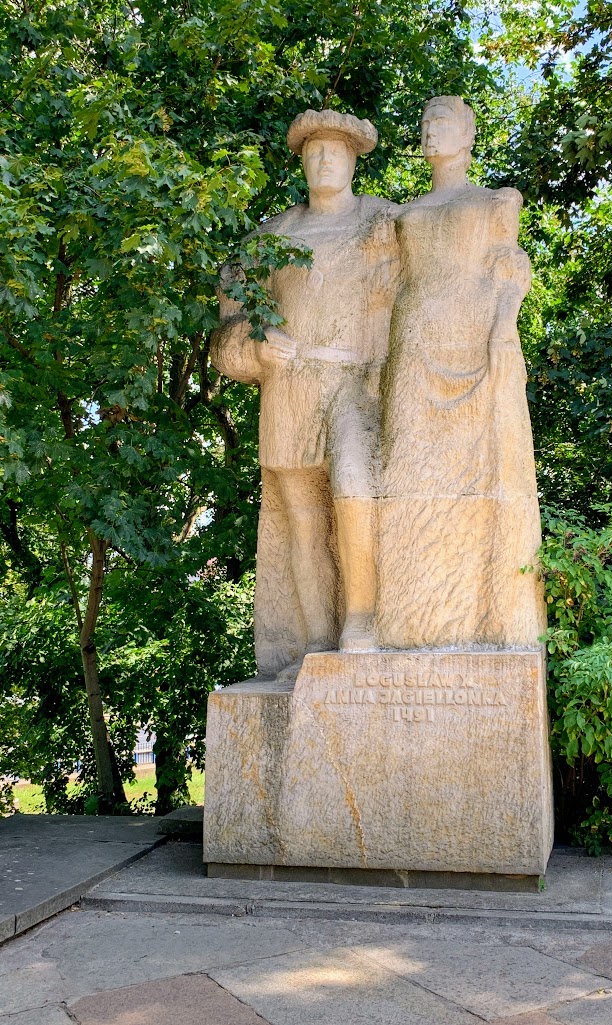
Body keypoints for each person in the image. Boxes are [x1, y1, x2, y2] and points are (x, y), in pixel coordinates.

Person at [212, 109, 398, 675]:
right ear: (301, 162)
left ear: (354, 161)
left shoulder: (384, 223)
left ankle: (361, 619)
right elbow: (228, 327)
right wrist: (255, 344)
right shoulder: (268, 239)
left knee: (355, 490)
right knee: (304, 519)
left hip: (359, 384)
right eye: (314, 151)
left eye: (335, 151)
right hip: (290, 388)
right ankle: (317, 641)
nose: (324, 160)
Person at [377, 95, 546, 649]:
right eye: (425, 124)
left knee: (480, 479)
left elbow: (510, 274)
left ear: (469, 135)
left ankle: (479, 619)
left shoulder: (496, 203)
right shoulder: (402, 214)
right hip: (414, 346)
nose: (431, 132)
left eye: (443, 123)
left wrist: (503, 329)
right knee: (406, 479)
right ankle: (410, 622)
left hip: (474, 343)